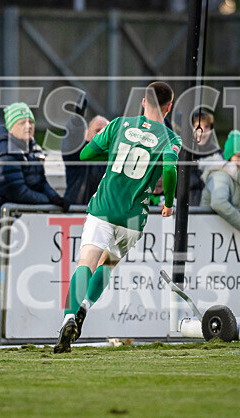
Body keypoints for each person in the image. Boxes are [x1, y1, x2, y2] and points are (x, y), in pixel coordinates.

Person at [54, 81, 182, 354]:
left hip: (104, 208)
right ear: (169, 107)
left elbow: (86, 153)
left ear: (143, 102)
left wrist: (108, 149)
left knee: (86, 263)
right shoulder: (171, 139)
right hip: (133, 219)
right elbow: (170, 171)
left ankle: (68, 317)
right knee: (108, 264)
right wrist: (169, 203)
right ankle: (85, 306)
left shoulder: (118, 125)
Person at [0, 102, 70, 274]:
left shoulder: (31, 147)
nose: (28, 126)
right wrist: (48, 203)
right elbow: (16, 191)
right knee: (0, 276)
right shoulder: (4, 149)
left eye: (31, 122)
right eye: (22, 122)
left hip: (15, 220)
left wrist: (54, 198)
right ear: (10, 127)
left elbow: (41, 181)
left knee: (19, 272)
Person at [200, 130, 240, 238]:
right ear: (229, 157)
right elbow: (219, 203)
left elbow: (239, 205)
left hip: (221, 233)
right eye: (238, 156)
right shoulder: (220, 175)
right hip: (208, 231)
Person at [62, 115, 109, 205]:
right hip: (78, 210)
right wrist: (76, 121)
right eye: (98, 131)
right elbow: (71, 142)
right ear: (87, 135)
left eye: (106, 132)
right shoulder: (78, 155)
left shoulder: (116, 158)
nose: (102, 135)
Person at [189, 110, 224, 205]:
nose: (202, 131)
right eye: (198, 127)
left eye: (207, 127)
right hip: (187, 209)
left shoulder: (219, 156)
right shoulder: (183, 155)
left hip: (210, 210)